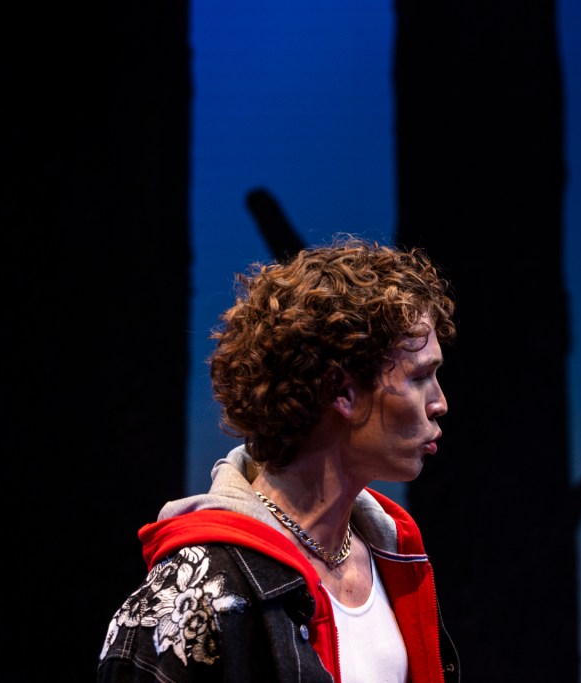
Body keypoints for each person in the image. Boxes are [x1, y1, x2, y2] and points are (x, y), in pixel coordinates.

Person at [98, 236, 460, 682]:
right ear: (341, 392)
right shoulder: (190, 597)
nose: (440, 403)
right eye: (420, 377)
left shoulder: (396, 555)